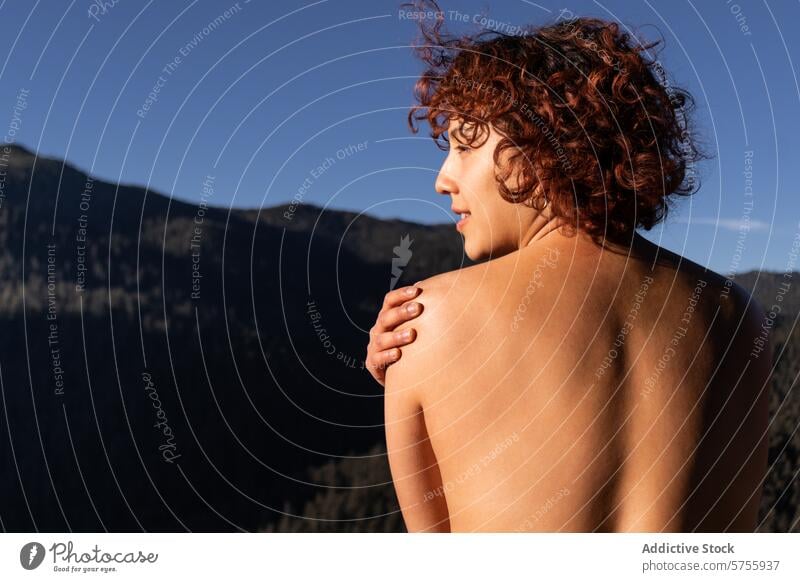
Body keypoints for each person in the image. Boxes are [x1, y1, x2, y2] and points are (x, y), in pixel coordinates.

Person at [365, 2, 770, 532]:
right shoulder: (739, 314)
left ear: (536, 147)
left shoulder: (421, 321)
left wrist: (410, 368)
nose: (443, 179)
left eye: (465, 146)